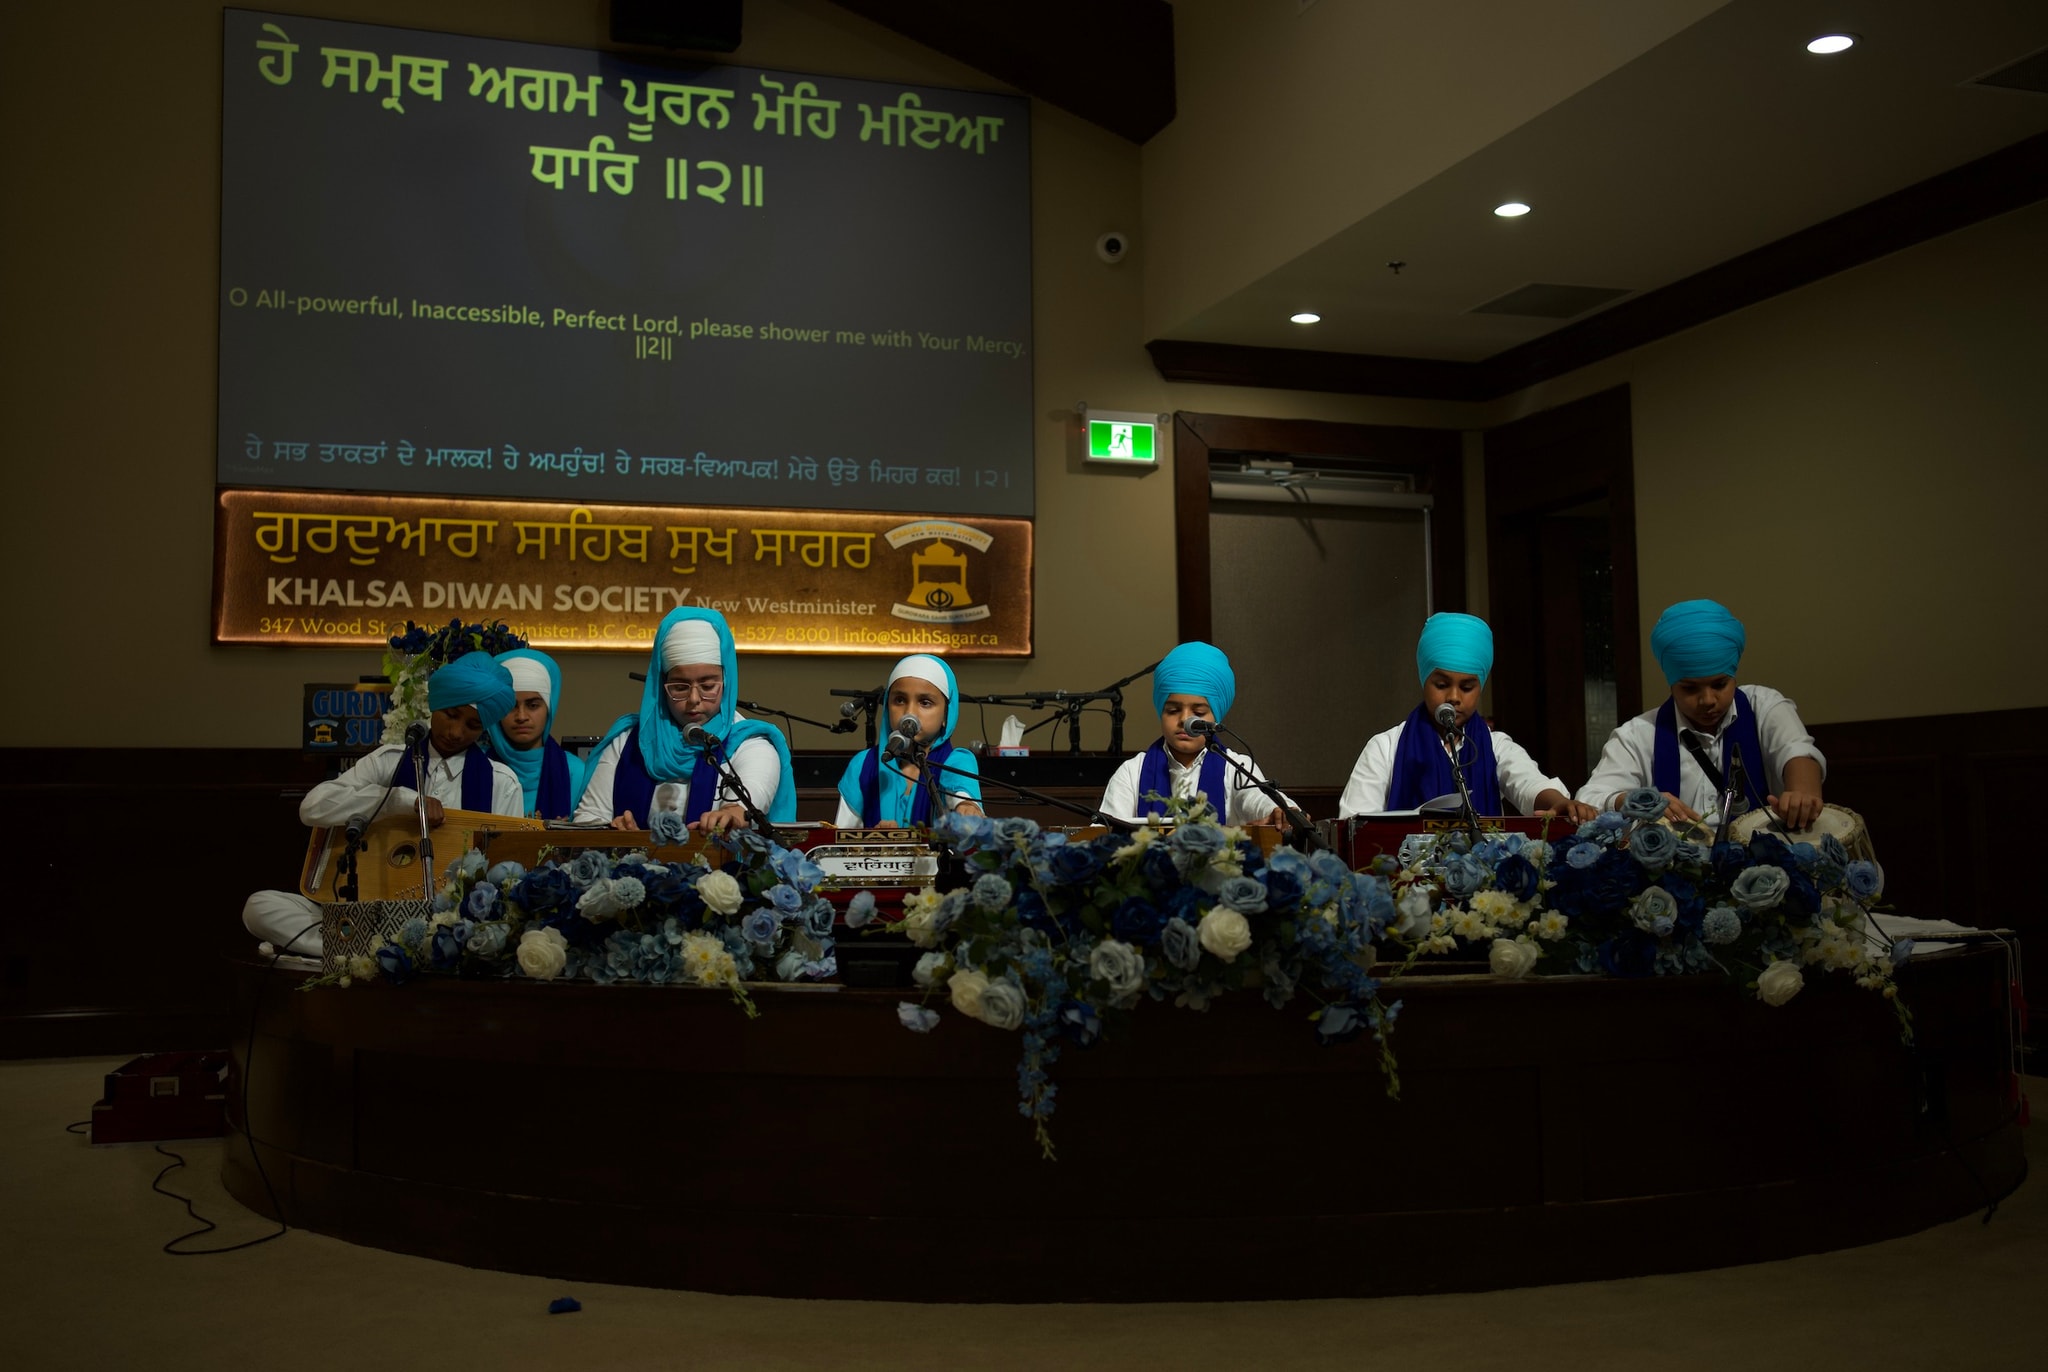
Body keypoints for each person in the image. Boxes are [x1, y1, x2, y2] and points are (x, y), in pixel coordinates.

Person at [241, 651, 525, 958]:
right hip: (365, 907)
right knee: (258, 907)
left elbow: (509, 875)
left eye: (471, 725)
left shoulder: (501, 782)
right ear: (436, 706)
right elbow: (312, 807)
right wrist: (399, 801)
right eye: (451, 715)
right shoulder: (389, 761)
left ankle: (355, 953)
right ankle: (379, 954)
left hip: (448, 923)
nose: (456, 732)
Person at [1577, 598, 1825, 829]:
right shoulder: (1637, 735)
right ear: (1671, 683)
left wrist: (1802, 792)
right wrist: (1635, 799)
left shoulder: (1764, 706)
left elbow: (1797, 751)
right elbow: (1590, 797)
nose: (1707, 700)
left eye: (1719, 685)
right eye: (1690, 688)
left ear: (1733, 677)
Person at [1338, 612, 1595, 821]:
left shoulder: (1496, 746)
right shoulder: (1385, 747)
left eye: (1467, 687)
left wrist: (1559, 803)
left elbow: (1528, 784)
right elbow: (1354, 824)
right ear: (1424, 681)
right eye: (1441, 685)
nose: (1454, 697)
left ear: (1480, 687)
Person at [573, 607, 796, 832]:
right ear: (660, 685)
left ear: (726, 682)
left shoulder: (750, 744)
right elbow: (588, 821)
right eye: (679, 687)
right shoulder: (627, 743)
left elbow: (745, 804)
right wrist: (615, 835)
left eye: (708, 686)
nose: (694, 699)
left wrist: (730, 815)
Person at [1099, 641, 1296, 827]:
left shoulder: (1236, 767)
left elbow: (1259, 799)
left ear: (1215, 719)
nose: (1185, 720)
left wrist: (1281, 810)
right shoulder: (1132, 772)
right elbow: (1103, 833)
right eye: (1173, 710)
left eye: (1199, 712)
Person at [834, 654, 985, 827]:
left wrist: (967, 807)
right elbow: (840, 840)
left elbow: (963, 798)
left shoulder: (956, 761)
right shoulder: (863, 764)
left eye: (925, 702)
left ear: (946, 714)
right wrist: (871, 840)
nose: (909, 712)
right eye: (899, 700)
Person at [482, 648, 585, 820]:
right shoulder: (477, 765)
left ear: (548, 709)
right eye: (510, 706)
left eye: (533, 705)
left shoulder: (574, 771)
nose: (521, 717)